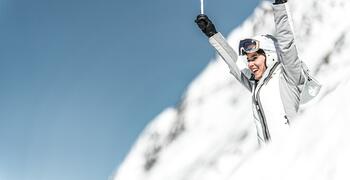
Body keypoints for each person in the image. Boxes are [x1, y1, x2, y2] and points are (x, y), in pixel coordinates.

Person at [195, 0, 320, 144]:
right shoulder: (256, 84)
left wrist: (280, 5)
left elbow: (287, 44)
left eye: (254, 57)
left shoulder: (288, 76)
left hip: (294, 153)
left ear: (271, 54)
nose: (250, 64)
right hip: (273, 161)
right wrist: (212, 34)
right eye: (248, 60)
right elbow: (235, 65)